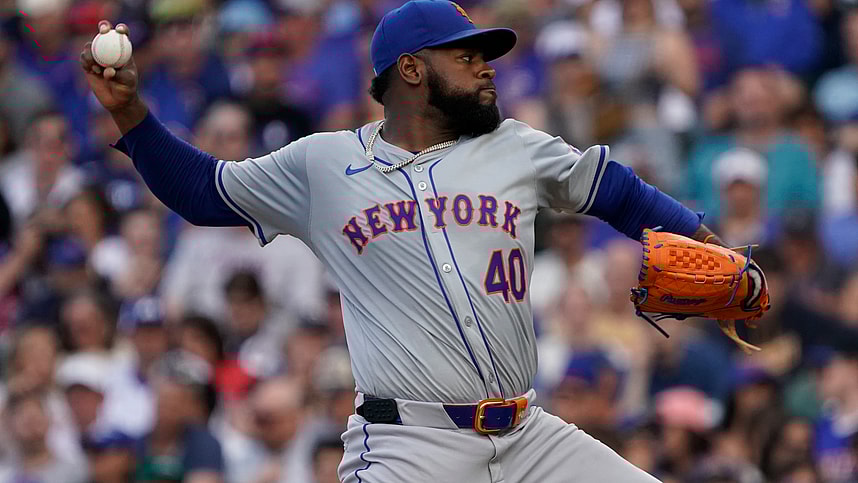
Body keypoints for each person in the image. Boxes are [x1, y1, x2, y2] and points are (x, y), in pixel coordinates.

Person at [80, 2, 756, 481]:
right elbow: (204, 191)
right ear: (410, 69)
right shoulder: (323, 165)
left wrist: (711, 243)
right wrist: (131, 116)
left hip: (527, 436)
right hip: (409, 446)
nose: (487, 68)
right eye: (467, 56)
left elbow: (618, 192)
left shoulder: (515, 146)